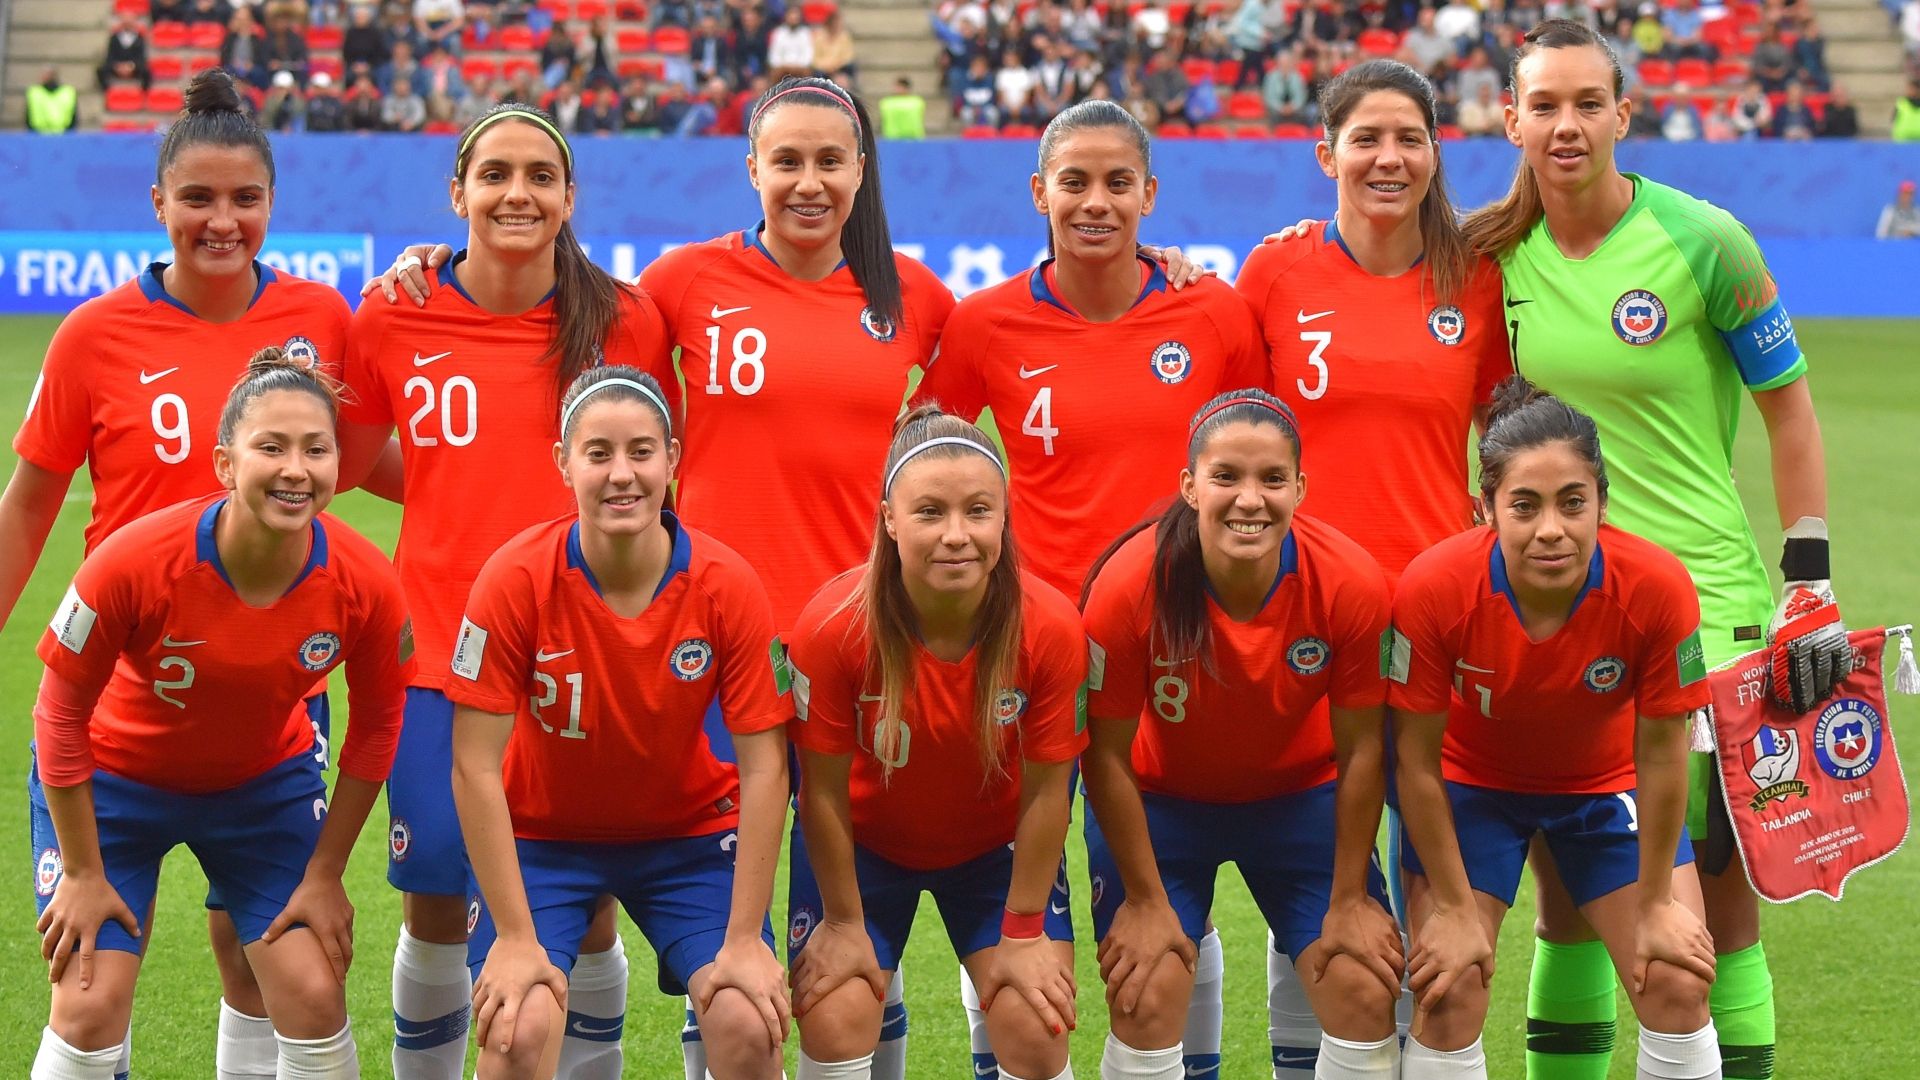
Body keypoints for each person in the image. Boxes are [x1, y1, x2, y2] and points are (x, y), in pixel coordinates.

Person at [364, 78, 951, 1080]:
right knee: (583, 901)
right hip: (664, 649)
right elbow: (367, 450)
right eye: (787, 160)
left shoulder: (921, 304)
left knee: (839, 927)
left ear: (862, 169)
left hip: (849, 650)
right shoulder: (680, 285)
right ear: (751, 169)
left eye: (831, 160)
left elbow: (940, 458)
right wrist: (443, 461)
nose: (808, 181)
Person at [1465, 20, 1839, 1079]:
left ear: (1625, 115)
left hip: (1704, 606)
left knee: (1718, 900)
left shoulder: (1706, 240)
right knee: (1572, 903)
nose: (1567, 125)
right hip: (1556, 610)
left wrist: (1807, 582)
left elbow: (1792, 411)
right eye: (1545, 105)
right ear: (1513, 119)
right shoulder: (1499, 257)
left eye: (1589, 103)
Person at [2, 68, 353, 1080]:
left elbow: (373, 453)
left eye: (244, 199)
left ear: (272, 205)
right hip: (122, 693)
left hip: (273, 692)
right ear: (158, 204)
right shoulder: (95, 335)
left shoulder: (321, 321)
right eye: (197, 198)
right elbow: (31, 502)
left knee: (264, 963)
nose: (221, 219)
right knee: (93, 986)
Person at [918, 102, 1265, 1076]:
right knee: (1006, 877)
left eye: (1119, 183)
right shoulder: (985, 323)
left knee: (1165, 883)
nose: (1097, 201)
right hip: (1026, 651)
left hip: (1175, 651)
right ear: (1039, 193)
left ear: (1151, 195)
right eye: (1075, 181)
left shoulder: (1214, 313)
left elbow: (1264, 463)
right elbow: (926, 463)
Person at [337, 102, 673, 1080]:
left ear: (569, 196)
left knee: (586, 903)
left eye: (539, 176)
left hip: (588, 658)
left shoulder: (624, 319)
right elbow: (355, 457)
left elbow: (656, 479)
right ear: (458, 194)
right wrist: (450, 480)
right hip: (441, 656)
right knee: (436, 899)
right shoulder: (397, 308)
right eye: (494, 175)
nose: (516, 193)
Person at [1230, 59, 1511, 1073]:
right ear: (1327, 154)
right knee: (1317, 887)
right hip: (1308, 627)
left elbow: (1511, 439)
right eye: (1368, 139)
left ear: (1437, 153)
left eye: (1410, 138)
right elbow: (1229, 440)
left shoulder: (1476, 282)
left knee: (1444, 912)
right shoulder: (1274, 273)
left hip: (1443, 629)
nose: (1389, 158)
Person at [29, 350, 413, 1080]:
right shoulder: (132, 561)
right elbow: (60, 714)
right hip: (112, 790)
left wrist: (326, 873)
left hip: (259, 792)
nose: (295, 469)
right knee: (88, 1001)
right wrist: (80, 871)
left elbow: (378, 726)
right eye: (270, 447)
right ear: (225, 464)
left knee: (311, 990)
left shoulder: (367, 584)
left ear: (340, 462)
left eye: (316, 448)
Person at [448, 367, 790, 1080]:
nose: (621, 474)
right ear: (563, 462)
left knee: (747, 1020)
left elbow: (765, 768)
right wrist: (514, 936)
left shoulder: (729, 584)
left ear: (673, 458)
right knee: (518, 1028)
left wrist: (744, 939)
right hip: (543, 839)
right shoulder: (512, 580)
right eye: (598, 453)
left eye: (641, 452)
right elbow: (474, 765)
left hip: (689, 838)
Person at [1389, 377, 1718, 1080]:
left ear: (1603, 500)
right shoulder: (1433, 586)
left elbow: (1664, 755)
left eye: (1573, 503)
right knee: (1448, 991)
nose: (1551, 529)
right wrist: (1449, 906)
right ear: (1485, 508)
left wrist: (1657, 902)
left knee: (1676, 978)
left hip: (1604, 789)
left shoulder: (1657, 587)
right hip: (1469, 789)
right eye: (1524, 506)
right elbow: (1412, 761)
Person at [1080, 389, 1403, 1080]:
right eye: (1225, 476)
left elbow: (1363, 749)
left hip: (1301, 800)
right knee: (1146, 991)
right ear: (1189, 486)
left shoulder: (1350, 583)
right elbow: (1104, 755)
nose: (1249, 499)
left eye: (1272, 480)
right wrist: (1143, 901)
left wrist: (1349, 900)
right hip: (1160, 805)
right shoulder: (1129, 585)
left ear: (1300, 488)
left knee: (1364, 987)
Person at [785, 407, 1086, 1080]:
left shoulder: (1051, 628)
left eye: (978, 511)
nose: (957, 536)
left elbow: (1047, 794)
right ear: (889, 518)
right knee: (835, 1021)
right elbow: (820, 793)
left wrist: (1024, 930)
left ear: (1005, 517)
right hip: (864, 849)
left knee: (1036, 1032)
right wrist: (842, 921)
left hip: (994, 851)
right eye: (929, 513)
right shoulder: (832, 627)